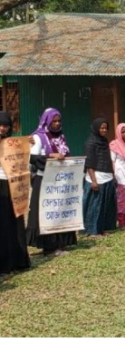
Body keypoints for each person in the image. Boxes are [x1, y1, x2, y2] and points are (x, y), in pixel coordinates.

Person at [26, 108, 77, 256]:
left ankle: (60, 243)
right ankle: (49, 246)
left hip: (60, 180)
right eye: (53, 121)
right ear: (46, 121)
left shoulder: (60, 136)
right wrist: (51, 155)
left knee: (59, 210)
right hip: (44, 180)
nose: (56, 124)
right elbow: (32, 158)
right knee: (46, 212)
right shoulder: (38, 137)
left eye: (59, 121)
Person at [0, 112, 31, 274]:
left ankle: (19, 260)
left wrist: (27, 143)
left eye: (6, 125)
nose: (2, 128)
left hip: (14, 185)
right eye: (0, 125)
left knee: (15, 222)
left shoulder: (14, 143)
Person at [82, 118, 117, 237]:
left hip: (107, 177)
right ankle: (92, 230)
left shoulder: (104, 141)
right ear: (96, 128)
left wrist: (113, 176)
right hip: (97, 177)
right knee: (95, 206)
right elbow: (89, 163)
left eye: (106, 128)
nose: (104, 130)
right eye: (102, 128)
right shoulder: (90, 143)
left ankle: (103, 228)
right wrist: (94, 181)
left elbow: (107, 160)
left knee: (105, 206)